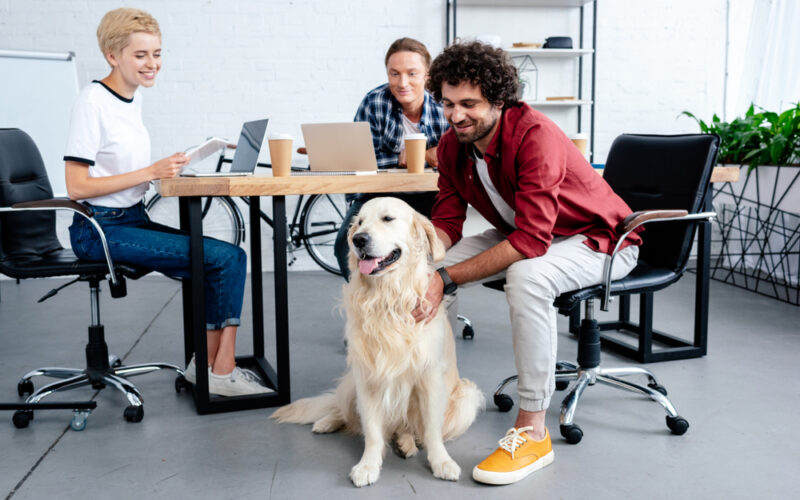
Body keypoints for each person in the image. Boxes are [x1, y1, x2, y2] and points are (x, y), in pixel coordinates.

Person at [417, 41, 642, 485]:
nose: (456, 115)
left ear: (499, 100)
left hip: (599, 240)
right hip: (527, 231)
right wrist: (429, 267)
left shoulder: (534, 135)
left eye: (469, 104)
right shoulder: (450, 145)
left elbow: (530, 242)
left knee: (527, 276)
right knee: (417, 272)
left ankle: (532, 429)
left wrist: (446, 277)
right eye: (447, 103)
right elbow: (446, 221)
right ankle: (427, 402)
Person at [64, 7, 269, 397]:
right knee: (224, 260)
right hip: (101, 230)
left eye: (157, 54)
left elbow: (118, 168)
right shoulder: (94, 101)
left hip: (131, 218)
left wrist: (172, 165)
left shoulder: (131, 99)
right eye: (141, 55)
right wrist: (150, 171)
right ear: (113, 55)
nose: (152, 64)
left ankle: (208, 367)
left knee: (229, 257)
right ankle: (218, 372)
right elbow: (76, 186)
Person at [333, 37, 449, 279]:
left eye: (412, 73)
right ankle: (372, 305)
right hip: (378, 195)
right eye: (394, 74)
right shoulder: (374, 103)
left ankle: (421, 304)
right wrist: (404, 158)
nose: (402, 82)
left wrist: (425, 156)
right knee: (344, 247)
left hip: (433, 196)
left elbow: (456, 158)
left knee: (430, 248)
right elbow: (360, 161)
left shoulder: (444, 106)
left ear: (427, 75)